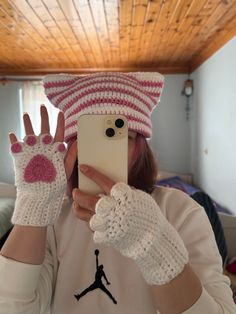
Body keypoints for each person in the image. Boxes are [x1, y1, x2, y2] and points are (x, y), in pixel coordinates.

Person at [0, 72, 235, 314]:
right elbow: (11, 308)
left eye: (124, 137)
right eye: (89, 139)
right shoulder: (53, 220)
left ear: (142, 147)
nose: (111, 151)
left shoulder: (180, 210)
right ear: (72, 149)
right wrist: (34, 207)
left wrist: (152, 242)